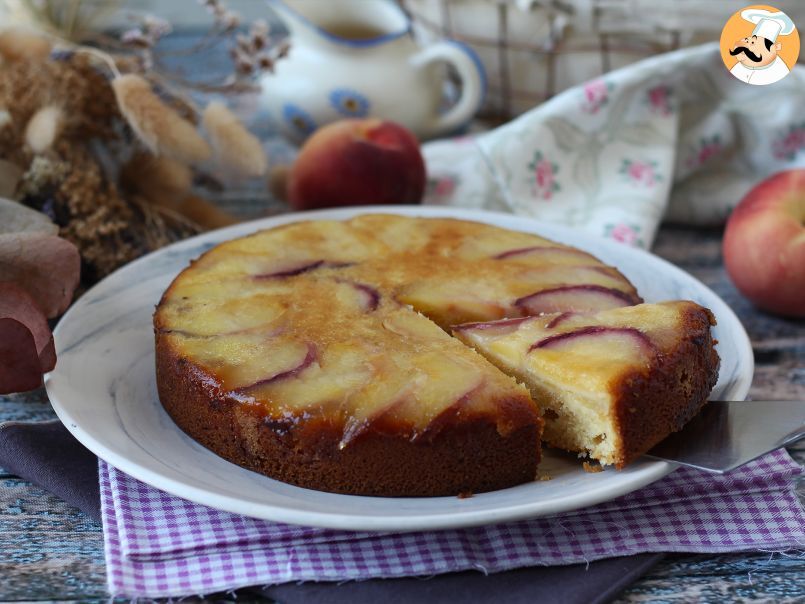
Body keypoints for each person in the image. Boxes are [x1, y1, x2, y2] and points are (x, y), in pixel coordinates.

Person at [728, 9, 796, 85]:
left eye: (753, 43)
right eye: (747, 40)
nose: (746, 46)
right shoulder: (738, 66)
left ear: (775, 47)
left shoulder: (779, 72)